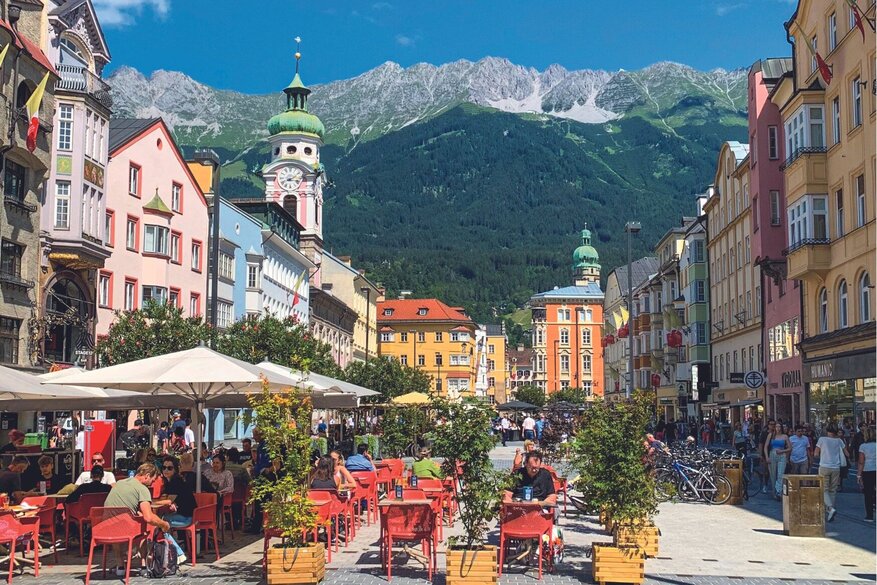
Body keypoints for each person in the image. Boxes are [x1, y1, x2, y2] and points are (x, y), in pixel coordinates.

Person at [104, 463, 175, 576]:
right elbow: (148, 517)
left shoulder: (119, 483)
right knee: (144, 524)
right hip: (125, 531)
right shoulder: (142, 488)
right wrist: (164, 524)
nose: (152, 483)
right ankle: (144, 564)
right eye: (152, 480)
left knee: (116, 520)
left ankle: (120, 566)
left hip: (105, 530)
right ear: (147, 476)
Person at [157, 456, 196, 564]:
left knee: (160, 524)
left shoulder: (176, 482)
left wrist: (151, 502)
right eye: (164, 467)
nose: (166, 470)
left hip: (187, 517)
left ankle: (178, 554)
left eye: (169, 468)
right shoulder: (170, 482)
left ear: (175, 469)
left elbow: (168, 501)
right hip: (182, 514)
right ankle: (169, 554)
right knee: (160, 521)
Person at [814, 423, 850, 522]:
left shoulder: (822, 440)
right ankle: (831, 512)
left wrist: (821, 454)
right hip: (836, 467)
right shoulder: (839, 441)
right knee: (833, 490)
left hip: (824, 466)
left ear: (827, 431)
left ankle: (830, 508)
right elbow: (847, 453)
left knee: (823, 489)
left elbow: (816, 453)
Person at [765, 423, 791, 499]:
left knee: (780, 474)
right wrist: (767, 457)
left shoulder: (785, 436)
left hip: (782, 455)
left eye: (779, 427)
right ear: (774, 428)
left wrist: (783, 451)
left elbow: (790, 448)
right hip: (773, 454)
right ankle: (774, 492)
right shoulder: (771, 435)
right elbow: (765, 446)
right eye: (777, 427)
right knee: (773, 474)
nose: (778, 428)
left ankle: (778, 491)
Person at [856, 426, 876, 522]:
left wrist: (859, 475)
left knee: (868, 493)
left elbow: (861, 462)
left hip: (868, 470)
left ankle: (869, 516)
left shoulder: (863, 446)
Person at [758, 419, 777, 494]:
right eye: (771, 424)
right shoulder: (764, 433)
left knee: (776, 471)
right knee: (766, 471)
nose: (772, 426)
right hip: (766, 453)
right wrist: (760, 454)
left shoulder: (777, 433)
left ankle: (775, 486)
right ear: (768, 425)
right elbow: (761, 444)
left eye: (774, 424)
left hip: (776, 454)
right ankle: (765, 485)